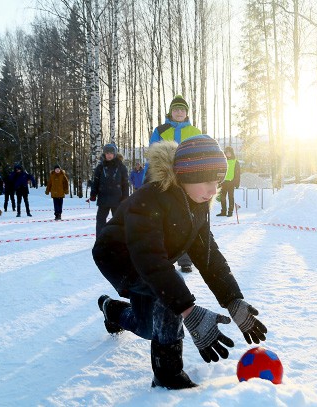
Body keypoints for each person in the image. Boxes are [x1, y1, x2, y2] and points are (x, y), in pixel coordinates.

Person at [93, 135, 267, 390]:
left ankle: (112, 310)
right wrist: (188, 310)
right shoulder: (149, 199)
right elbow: (150, 260)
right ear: (186, 176)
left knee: (147, 328)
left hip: (153, 261)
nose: (213, 189)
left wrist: (233, 299)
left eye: (217, 181)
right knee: (170, 298)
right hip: (119, 260)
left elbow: (209, 257)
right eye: (207, 181)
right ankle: (168, 373)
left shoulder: (197, 204)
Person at [147, 94, 202, 273]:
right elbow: (153, 154)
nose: (179, 112)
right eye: (176, 109)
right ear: (171, 112)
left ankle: (185, 259)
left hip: (187, 179)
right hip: (165, 179)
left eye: (182, 109)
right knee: (163, 218)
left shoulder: (195, 131)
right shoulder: (160, 130)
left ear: (187, 112)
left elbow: (201, 155)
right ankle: (164, 258)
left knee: (185, 219)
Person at [89, 143, 129, 236]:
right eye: (107, 153)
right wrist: (93, 194)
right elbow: (96, 182)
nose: (109, 155)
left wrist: (125, 197)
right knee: (100, 221)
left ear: (115, 154)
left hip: (117, 199)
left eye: (111, 153)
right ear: (104, 154)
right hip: (103, 199)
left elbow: (125, 184)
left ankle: (119, 240)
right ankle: (100, 239)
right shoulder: (100, 167)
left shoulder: (121, 167)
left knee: (119, 222)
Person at [217, 146, 241, 217]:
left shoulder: (235, 162)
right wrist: (218, 181)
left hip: (231, 182)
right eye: (226, 152)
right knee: (222, 197)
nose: (228, 154)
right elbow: (220, 171)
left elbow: (237, 174)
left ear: (232, 153)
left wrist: (237, 183)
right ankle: (223, 211)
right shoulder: (223, 161)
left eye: (229, 152)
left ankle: (230, 211)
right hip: (223, 182)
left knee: (231, 197)